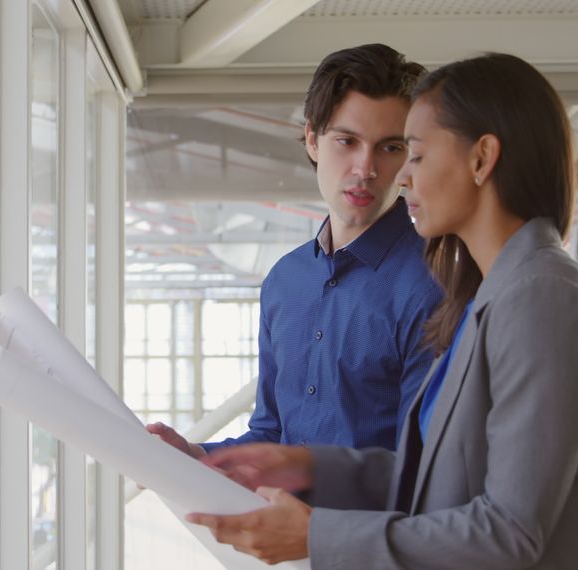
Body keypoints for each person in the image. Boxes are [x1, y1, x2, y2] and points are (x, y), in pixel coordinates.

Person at [186, 52, 578, 569]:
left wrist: (318, 535)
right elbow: (439, 479)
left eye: (411, 154)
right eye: (348, 142)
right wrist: (302, 463)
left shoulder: (543, 298)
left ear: (481, 159)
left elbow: (508, 533)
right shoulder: (501, 293)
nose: (398, 177)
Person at [148, 44, 442, 459]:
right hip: (280, 523)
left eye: (390, 148)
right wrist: (200, 457)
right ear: (312, 140)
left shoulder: (434, 285)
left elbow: (428, 468)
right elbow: (271, 432)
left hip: (368, 526)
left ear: (411, 157)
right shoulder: (285, 282)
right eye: (347, 141)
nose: (365, 169)